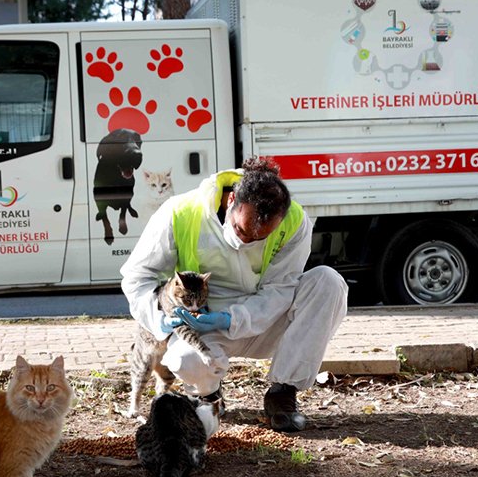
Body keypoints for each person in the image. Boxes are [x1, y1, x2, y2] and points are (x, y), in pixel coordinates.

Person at [120, 157, 348, 432]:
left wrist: (233, 319)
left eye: (258, 238)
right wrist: (160, 320)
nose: (244, 242)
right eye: (241, 229)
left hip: (267, 320)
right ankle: (208, 393)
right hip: (204, 327)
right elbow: (137, 277)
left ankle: (283, 392)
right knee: (184, 360)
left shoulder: (294, 221)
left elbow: (281, 288)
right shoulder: (180, 212)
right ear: (231, 201)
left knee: (328, 282)